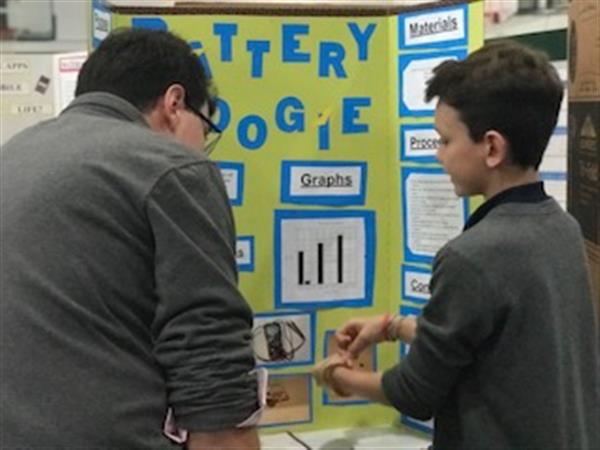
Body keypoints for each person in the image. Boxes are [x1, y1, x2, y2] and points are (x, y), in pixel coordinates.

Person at [313, 41, 600, 449]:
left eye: (445, 141)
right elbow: (489, 344)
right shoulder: (563, 229)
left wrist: (335, 375)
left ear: (492, 147)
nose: (438, 155)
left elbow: (414, 392)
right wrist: (393, 328)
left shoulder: (472, 256)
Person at [1, 28, 262, 449]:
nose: (202, 147)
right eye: (206, 127)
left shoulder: (14, 153)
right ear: (175, 104)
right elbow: (208, 348)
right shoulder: (171, 167)